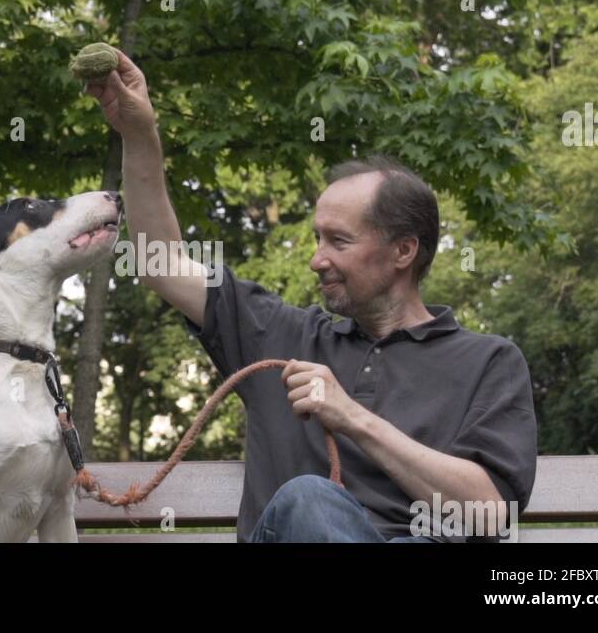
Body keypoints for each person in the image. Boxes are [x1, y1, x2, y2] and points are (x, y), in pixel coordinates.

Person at [86, 49, 537, 543]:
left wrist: (352, 418)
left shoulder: (488, 362)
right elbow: (160, 262)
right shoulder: (280, 336)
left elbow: (491, 516)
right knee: (308, 501)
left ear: (403, 251)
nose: (317, 259)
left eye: (338, 241)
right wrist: (138, 132)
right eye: (317, 239)